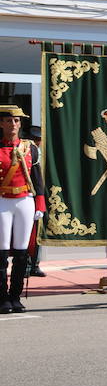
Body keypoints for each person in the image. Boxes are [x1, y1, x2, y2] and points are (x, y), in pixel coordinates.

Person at [0, 106, 45, 314]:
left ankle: (15, 297)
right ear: (1, 124)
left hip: (25, 200)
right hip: (3, 201)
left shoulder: (30, 148)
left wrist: (41, 203)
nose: (14, 124)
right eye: (9, 121)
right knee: (1, 254)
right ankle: (2, 298)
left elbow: (37, 177)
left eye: (17, 121)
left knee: (21, 253)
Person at [26, 124, 46, 277]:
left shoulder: (42, 152)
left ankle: (35, 264)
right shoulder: (26, 151)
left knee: (38, 232)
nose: (37, 142)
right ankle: (26, 264)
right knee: (27, 232)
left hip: (41, 194)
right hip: (27, 194)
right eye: (35, 139)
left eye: (38, 139)